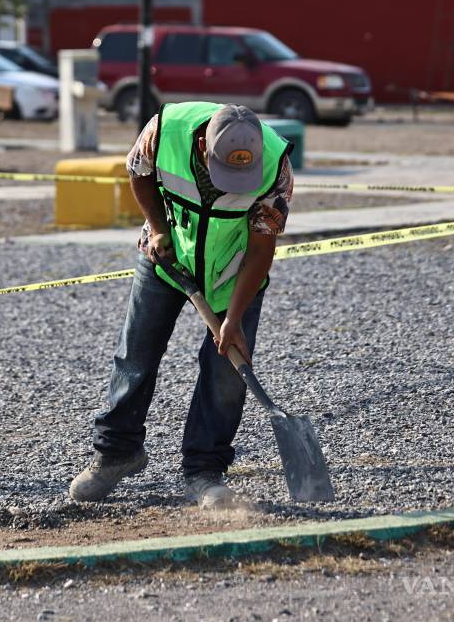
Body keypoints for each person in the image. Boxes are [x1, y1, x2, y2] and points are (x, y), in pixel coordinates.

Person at [69, 102, 294, 510]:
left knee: (226, 372)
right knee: (135, 352)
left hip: (232, 274)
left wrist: (235, 318)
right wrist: (157, 228)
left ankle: (204, 471)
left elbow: (262, 247)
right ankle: (117, 452)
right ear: (204, 146)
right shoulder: (165, 130)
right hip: (166, 256)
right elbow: (139, 175)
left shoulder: (275, 164)